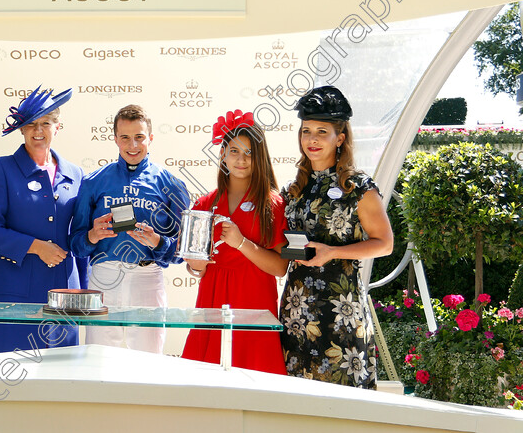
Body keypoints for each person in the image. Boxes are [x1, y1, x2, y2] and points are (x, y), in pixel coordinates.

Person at [279, 85, 393, 389]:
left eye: (322, 132)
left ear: (339, 138)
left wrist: (332, 252)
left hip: (341, 310)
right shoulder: (294, 189)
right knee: (296, 403)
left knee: (343, 403)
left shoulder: (358, 188)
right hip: (296, 308)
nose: (312, 140)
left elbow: (385, 243)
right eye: (306, 131)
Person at [70, 104, 189, 354]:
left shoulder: (171, 184)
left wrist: (157, 242)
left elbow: (182, 251)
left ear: (151, 138)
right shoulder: (94, 181)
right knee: (97, 363)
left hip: (147, 278)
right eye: (125, 137)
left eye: (139, 137)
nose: (132, 145)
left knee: (148, 365)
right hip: (104, 277)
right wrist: (93, 235)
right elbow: (76, 244)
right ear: (115, 139)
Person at [181, 110, 288, 374]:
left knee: (256, 383)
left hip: (254, 299)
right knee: (205, 383)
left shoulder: (273, 204)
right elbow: (197, 268)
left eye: (249, 153)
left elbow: (279, 268)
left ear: (259, 158)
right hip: (212, 299)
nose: (241, 160)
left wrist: (241, 243)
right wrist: (195, 264)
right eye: (234, 151)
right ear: (222, 154)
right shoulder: (204, 204)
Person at [0, 86, 85, 353]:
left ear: (58, 127)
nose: (39, 131)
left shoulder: (76, 173)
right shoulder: (2, 168)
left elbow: (81, 234)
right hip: (15, 291)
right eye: (31, 125)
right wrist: (37, 247)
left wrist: (84, 288)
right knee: (9, 372)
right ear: (22, 129)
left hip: (65, 291)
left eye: (46, 124)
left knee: (63, 374)